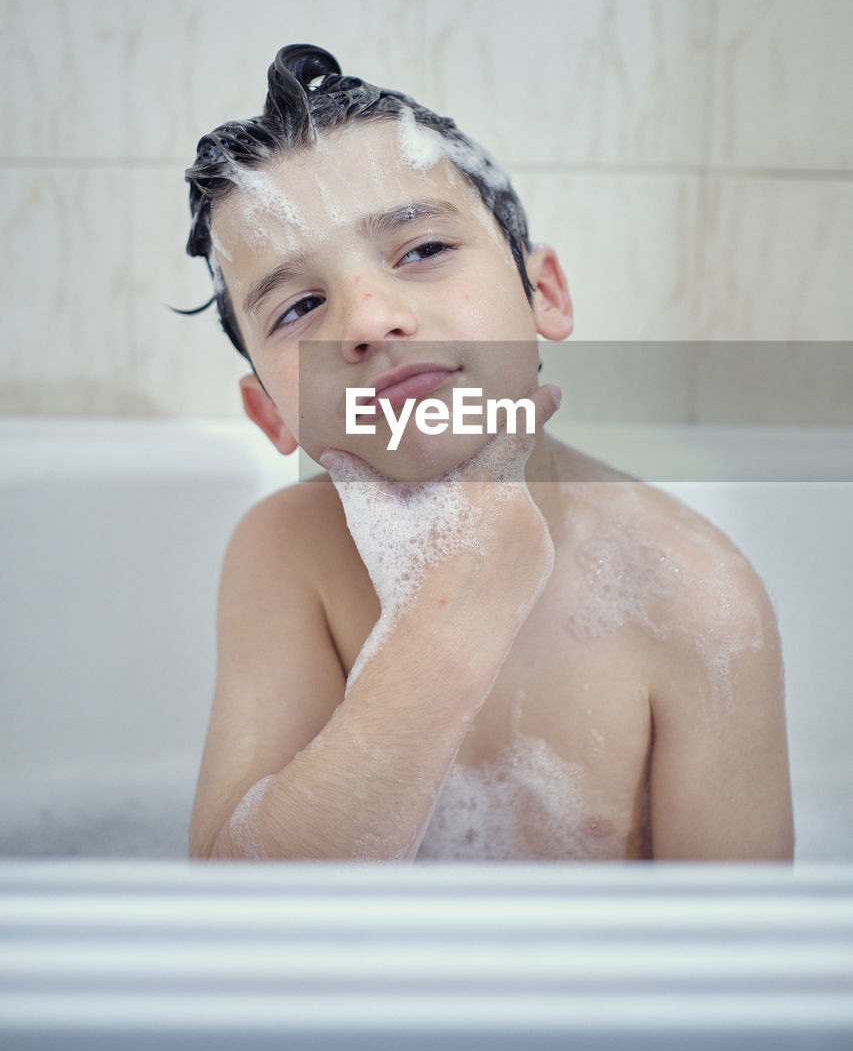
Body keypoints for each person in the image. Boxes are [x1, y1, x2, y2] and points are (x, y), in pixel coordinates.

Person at [184, 44, 794, 861]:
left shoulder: (692, 597)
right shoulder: (286, 554)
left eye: (422, 250)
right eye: (299, 305)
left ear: (544, 293)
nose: (369, 319)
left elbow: (737, 964)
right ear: (272, 415)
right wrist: (452, 619)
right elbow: (234, 926)